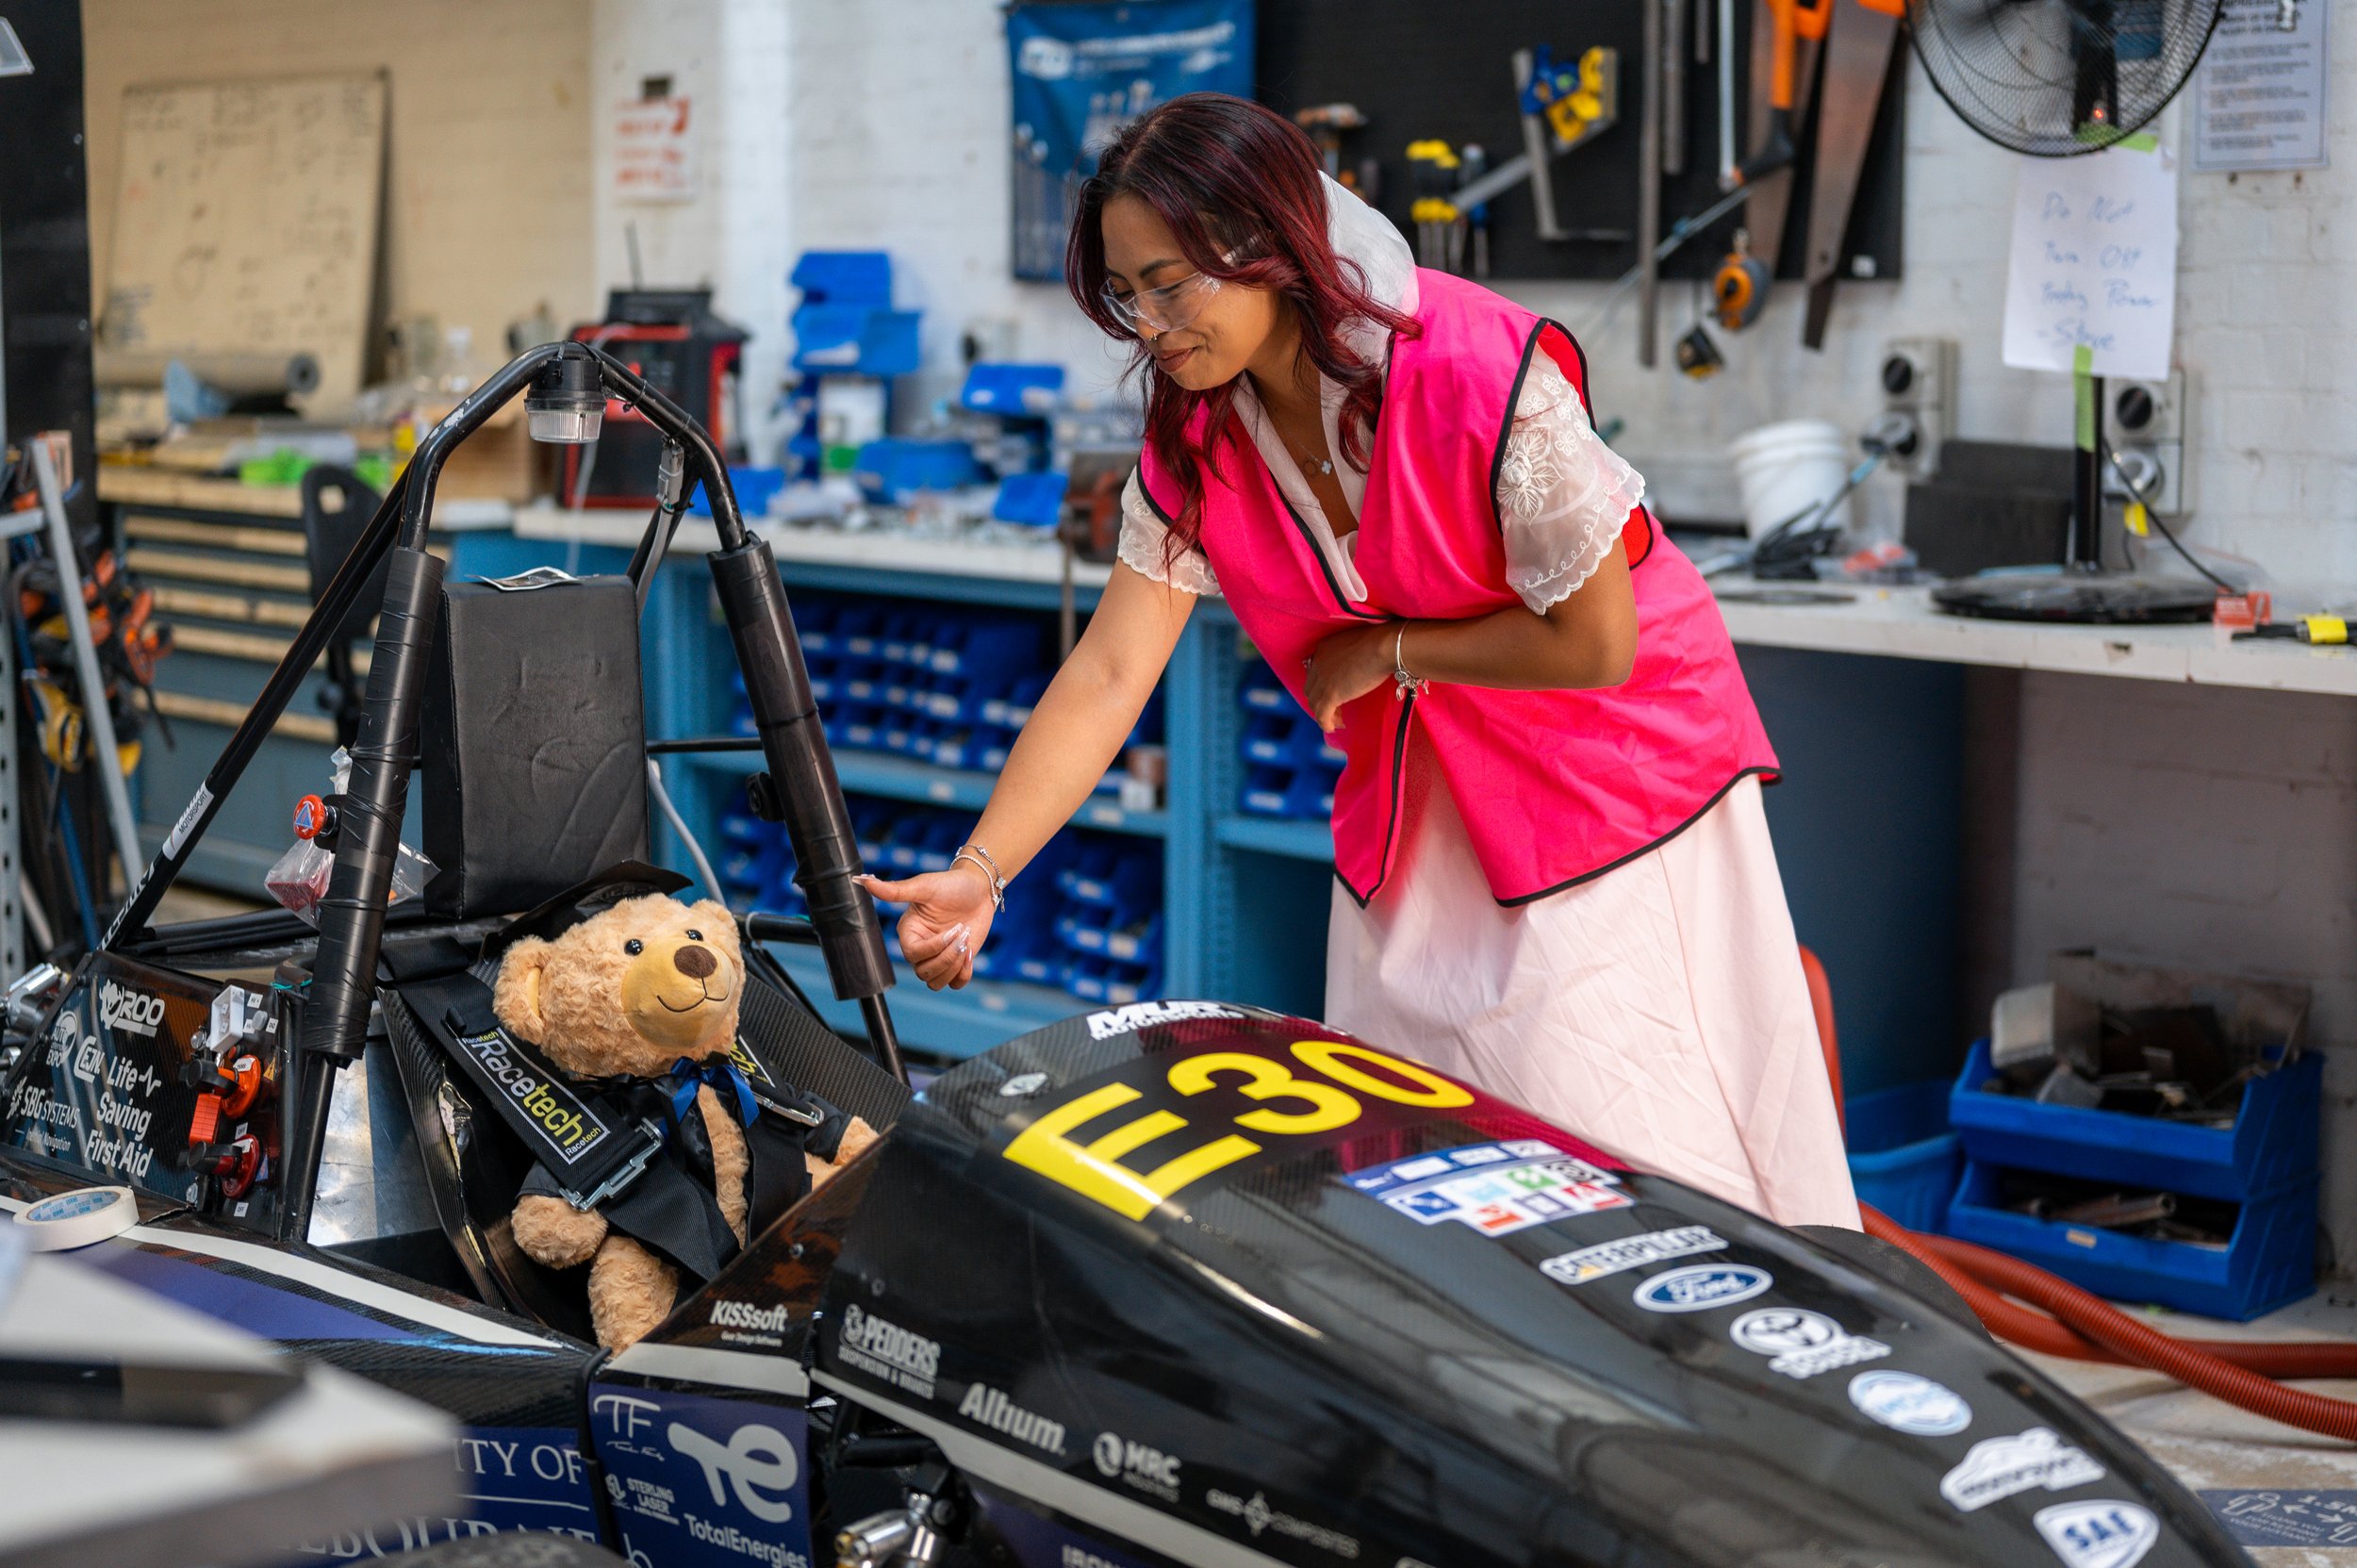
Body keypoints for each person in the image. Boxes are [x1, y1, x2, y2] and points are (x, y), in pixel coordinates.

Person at [859, 93, 1856, 1229]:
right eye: (1125, 296)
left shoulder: (1474, 368)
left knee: (1616, 1143)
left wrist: (1389, 651)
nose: (1147, 325)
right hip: (1421, 790)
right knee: (1419, 1151)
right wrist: (982, 873)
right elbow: (1107, 672)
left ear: (1272, 245)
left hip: (1613, 777)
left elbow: (1596, 641)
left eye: (1170, 284)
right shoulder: (1197, 432)